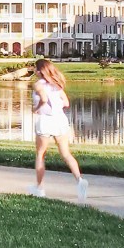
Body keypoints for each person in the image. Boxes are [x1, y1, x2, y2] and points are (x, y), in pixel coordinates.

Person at [27, 58, 88, 201]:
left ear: (40, 71)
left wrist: (36, 109)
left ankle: (39, 187)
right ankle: (79, 180)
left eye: (35, 68)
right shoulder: (57, 85)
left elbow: (43, 98)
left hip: (46, 120)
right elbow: (66, 103)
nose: (34, 71)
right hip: (60, 120)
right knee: (66, 154)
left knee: (40, 154)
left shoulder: (38, 84)